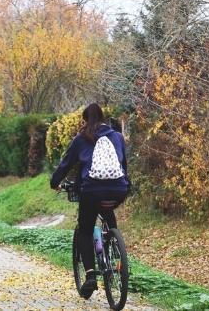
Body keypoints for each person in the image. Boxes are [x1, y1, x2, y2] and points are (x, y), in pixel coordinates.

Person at [50, 103, 129, 299]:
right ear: (103, 118)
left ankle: (91, 275)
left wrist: (54, 182)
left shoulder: (81, 138)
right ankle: (114, 249)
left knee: (85, 228)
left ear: (85, 120)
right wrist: (124, 185)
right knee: (107, 210)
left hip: (91, 190)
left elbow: (66, 163)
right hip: (118, 190)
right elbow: (123, 165)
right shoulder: (117, 136)